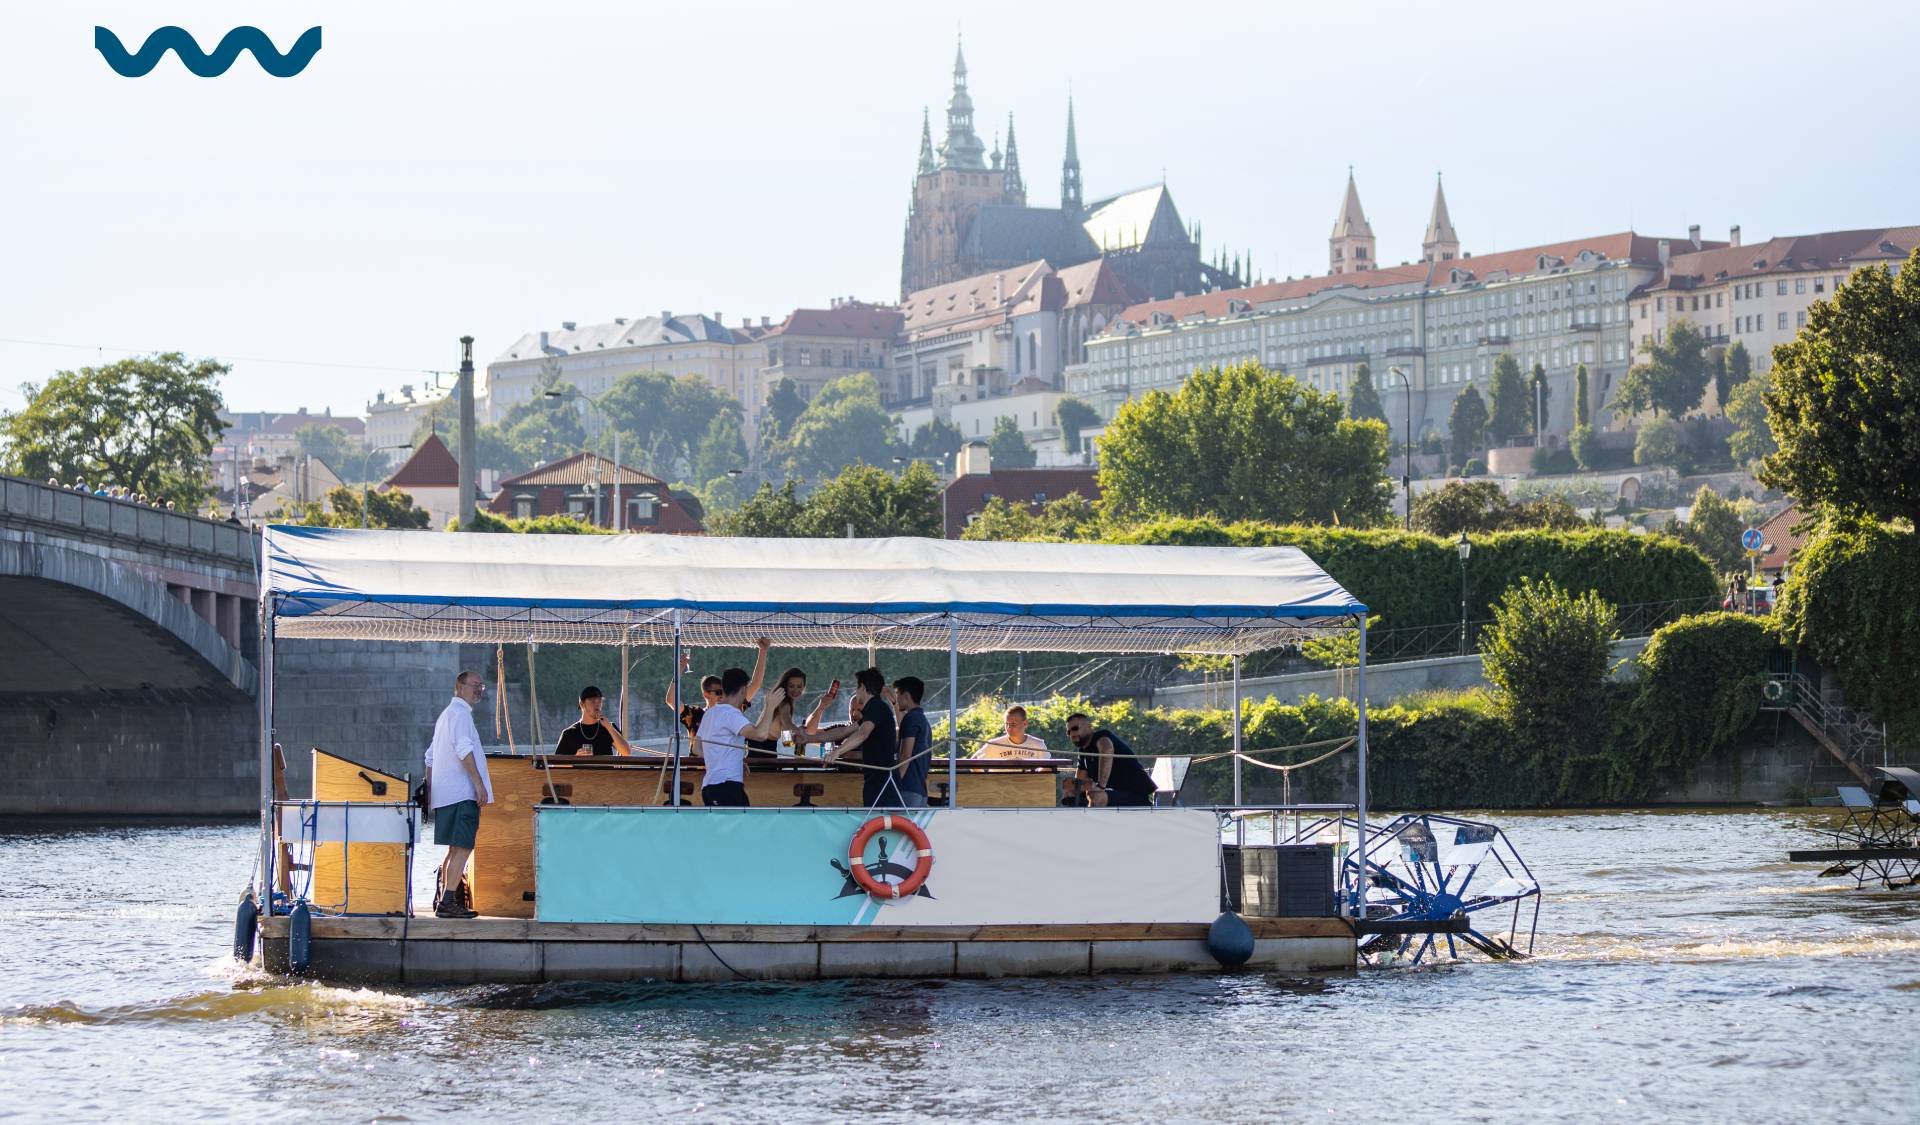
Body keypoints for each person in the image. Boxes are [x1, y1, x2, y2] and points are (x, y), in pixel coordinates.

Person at [427, 671, 493, 918]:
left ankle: (443, 899)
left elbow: (430, 756)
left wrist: (431, 792)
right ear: (459, 686)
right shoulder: (461, 714)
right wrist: (478, 784)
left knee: (454, 850)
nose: (478, 690)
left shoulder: (445, 716)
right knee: (463, 847)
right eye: (474, 685)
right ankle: (447, 902)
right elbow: (464, 749)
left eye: (481, 686)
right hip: (461, 793)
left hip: (446, 794)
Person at [694, 667, 789, 806]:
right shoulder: (731, 714)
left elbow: (697, 749)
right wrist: (770, 707)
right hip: (727, 786)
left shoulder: (709, 713)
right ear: (743, 690)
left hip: (709, 786)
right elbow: (760, 735)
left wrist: (733, 758)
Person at [665, 638, 770, 753]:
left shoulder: (732, 707)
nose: (723, 695)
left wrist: (763, 651)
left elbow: (755, 684)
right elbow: (671, 700)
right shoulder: (695, 713)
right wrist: (679, 670)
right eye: (718, 692)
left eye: (724, 691)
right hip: (697, 768)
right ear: (706, 694)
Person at [817, 667, 902, 807]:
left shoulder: (876, 706)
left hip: (883, 782)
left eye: (857, 687)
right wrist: (808, 738)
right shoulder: (874, 709)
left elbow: (863, 733)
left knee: (880, 823)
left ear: (862, 687)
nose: (856, 691)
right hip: (877, 780)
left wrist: (837, 752)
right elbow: (844, 731)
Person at [1065, 712, 1156, 808]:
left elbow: (1107, 749)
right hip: (1112, 794)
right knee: (1070, 789)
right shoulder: (1083, 751)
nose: (1072, 734)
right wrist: (1072, 789)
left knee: (1096, 796)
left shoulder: (1101, 737)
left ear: (1089, 727)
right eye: (1068, 732)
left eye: (1075, 728)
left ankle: (1090, 822)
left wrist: (1100, 786)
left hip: (1135, 795)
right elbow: (1080, 781)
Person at [891, 676, 932, 808]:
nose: (896, 700)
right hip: (920, 789)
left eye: (897, 694)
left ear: (906, 695)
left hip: (907, 788)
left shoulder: (910, 719)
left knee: (898, 827)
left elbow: (905, 755)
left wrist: (895, 782)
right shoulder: (924, 720)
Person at [554, 685, 631, 756]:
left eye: (600, 701)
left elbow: (627, 753)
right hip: (581, 771)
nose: (597, 705)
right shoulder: (569, 733)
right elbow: (557, 764)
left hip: (605, 771)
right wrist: (575, 758)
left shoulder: (609, 727)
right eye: (593, 701)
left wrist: (609, 728)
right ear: (582, 704)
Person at [978, 704, 1048, 760]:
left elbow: (1049, 767)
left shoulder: (1038, 745)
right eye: (1006, 724)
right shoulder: (993, 744)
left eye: (1013, 724)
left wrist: (1037, 777)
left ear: (1025, 723)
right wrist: (985, 778)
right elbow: (974, 761)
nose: (1009, 727)